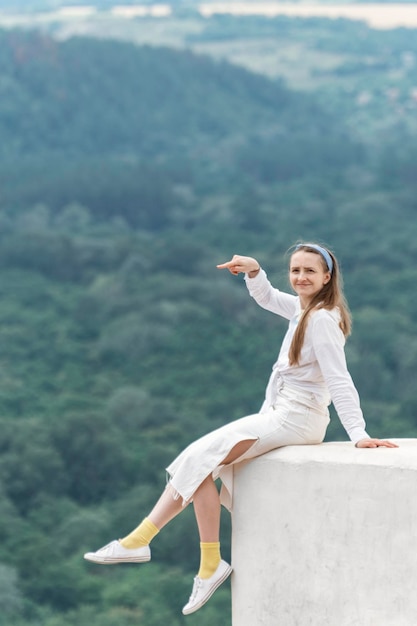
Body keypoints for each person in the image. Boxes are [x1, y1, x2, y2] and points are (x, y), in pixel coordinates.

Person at [84, 243, 397, 615]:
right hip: (281, 413)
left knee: (201, 457)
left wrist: (358, 434)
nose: (300, 278)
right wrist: (254, 272)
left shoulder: (323, 320)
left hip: (296, 419)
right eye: (295, 270)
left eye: (310, 272)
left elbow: (339, 380)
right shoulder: (304, 309)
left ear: (327, 277)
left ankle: (149, 543)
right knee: (200, 463)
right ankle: (198, 560)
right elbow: (269, 299)